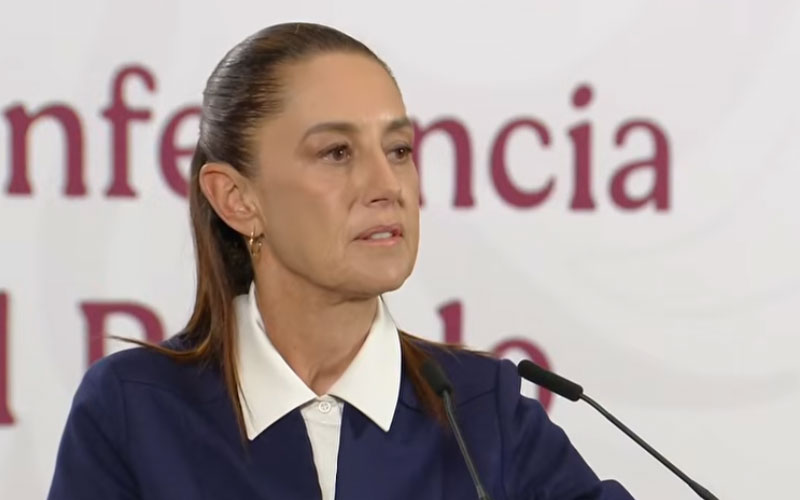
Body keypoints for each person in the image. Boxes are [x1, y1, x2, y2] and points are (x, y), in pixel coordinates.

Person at [48, 22, 635, 500]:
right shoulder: (135, 409)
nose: (387, 185)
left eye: (398, 150)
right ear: (237, 199)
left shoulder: (483, 411)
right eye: (336, 152)